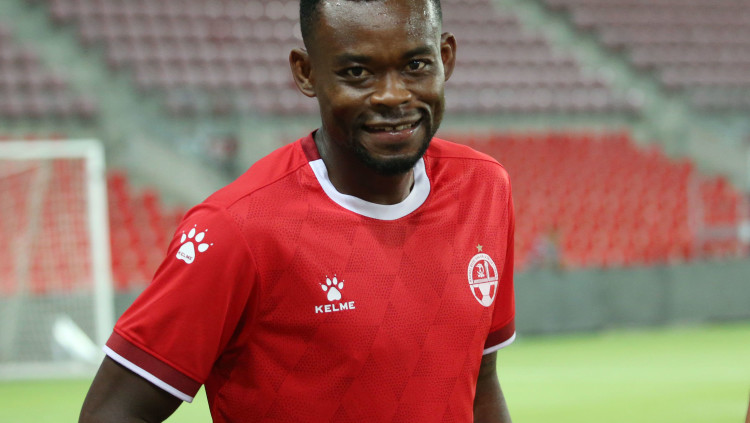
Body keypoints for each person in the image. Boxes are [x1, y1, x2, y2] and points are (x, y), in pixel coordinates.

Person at [79, 0, 516, 421]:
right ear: (306, 73)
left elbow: (479, 381)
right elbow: (111, 414)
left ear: (446, 58)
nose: (392, 94)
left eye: (415, 65)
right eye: (357, 72)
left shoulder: (483, 189)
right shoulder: (236, 229)